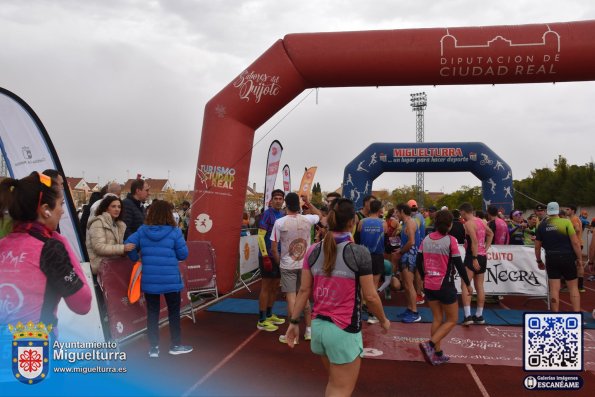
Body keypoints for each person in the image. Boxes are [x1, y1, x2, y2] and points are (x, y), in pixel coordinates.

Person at [285, 198, 390, 397]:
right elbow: (371, 296)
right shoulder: (359, 253)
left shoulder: (313, 250)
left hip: (319, 329)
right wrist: (384, 320)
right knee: (340, 389)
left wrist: (293, 322)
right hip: (343, 331)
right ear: (353, 222)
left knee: (335, 384)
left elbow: (304, 291)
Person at [0, 172, 92, 332]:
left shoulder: (3, 244)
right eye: (61, 204)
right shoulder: (49, 247)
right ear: (45, 210)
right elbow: (82, 303)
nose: (62, 211)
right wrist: (63, 244)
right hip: (31, 346)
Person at [125, 199, 191, 357]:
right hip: (170, 280)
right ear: (169, 214)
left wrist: (136, 258)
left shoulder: (142, 230)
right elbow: (183, 254)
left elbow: (128, 244)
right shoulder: (175, 232)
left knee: (152, 313)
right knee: (173, 312)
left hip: (150, 280)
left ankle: (153, 347)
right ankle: (175, 345)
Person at [417, 210, 471, 365]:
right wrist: (467, 283)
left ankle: (437, 353)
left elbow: (418, 261)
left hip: (429, 284)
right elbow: (459, 265)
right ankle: (430, 344)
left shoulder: (426, 239)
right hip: (445, 286)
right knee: (453, 319)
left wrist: (423, 276)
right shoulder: (450, 240)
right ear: (450, 225)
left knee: (438, 318)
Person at [271, 193, 320, 343]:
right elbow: (320, 215)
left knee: (292, 298)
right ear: (298, 205)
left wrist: (280, 262)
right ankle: (309, 331)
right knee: (304, 296)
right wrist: (308, 203)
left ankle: (292, 333)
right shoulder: (308, 219)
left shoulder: (279, 222)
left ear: (286, 203)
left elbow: (274, 248)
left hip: (287, 264)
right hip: (305, 264)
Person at [534, 202, 582, 313]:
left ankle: (555, 314)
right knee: (573, 287)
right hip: (567, 257)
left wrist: (539, 260)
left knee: (554, 289)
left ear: (547, 211)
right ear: (558, 210)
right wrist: (579, 258)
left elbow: (537, 247)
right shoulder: (566, 222)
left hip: (551, 257)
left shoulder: (542, 225)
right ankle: (577, 314)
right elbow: (575, 242)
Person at [459, 202, 493, 326]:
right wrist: (485, 249)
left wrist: (474, 258)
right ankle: (479, 315)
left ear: (463, 211)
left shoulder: (468, 224)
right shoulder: (482, 221)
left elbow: (473, 241)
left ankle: (468, 316)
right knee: (479, 286)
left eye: (460, 212)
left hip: (472, 256)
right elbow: (491, 234)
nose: (460, 215)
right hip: (482, 256)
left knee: (465, 284)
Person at [256, 189, 286, 331]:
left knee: (275, 287)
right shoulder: (267, 214)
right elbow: (260, 236)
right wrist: (265, 255)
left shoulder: (282, 214)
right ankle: (261, 320)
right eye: (276, 198)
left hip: (279, 256)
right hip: (267, 255)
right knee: (266, 287)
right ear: (271, 200)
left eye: (280, 198)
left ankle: (269, 314)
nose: (278, 200)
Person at [86, 196, 135, 275]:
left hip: (111, 268)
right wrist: (122, 248)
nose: (117, 209)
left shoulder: (118, 225)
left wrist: (125, 251)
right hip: (99, 269)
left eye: (119, 207)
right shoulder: (98, 223)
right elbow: (98, 247)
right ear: (106, 208)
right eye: (113, 206)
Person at [357, 199, 386, 324]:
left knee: (362, 285)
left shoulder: (362, 222)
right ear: (379, 210)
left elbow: (358, 235)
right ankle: (371, 315)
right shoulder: (383, 223)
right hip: (377, 256)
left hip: (363, 255)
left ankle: (358, 312)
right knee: (373, 285)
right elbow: (386, 235)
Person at [394, 203, 422, 323]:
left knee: (409, 285)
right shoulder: (406, 223)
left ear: (402, 211)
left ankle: (415, 312)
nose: (395, 214)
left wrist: (400, 251)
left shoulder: (410, 223)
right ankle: (410, 309)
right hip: (407, 255)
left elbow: (411, 242)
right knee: (406, 284)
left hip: (410, 256)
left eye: (397, 212)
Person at [565, 205, 585, 292]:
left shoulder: (574, 219)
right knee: (578, 264)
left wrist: (566, 231)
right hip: (578, 243)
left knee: (572, 264)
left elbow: (577, 229)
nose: (566, 211)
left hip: (575, 244)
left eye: (568, 209)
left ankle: (572, 286)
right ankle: (580, 286)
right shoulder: (575, 218)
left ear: (572, 211)